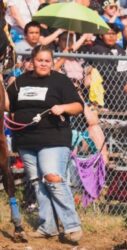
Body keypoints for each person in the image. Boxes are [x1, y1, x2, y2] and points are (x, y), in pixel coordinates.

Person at [6, 45, 84, 242]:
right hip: (26, 140)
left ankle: (72, 225)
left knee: (52, 177)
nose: (43, 63)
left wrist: (63, 107)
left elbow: (78, 107)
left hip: (54, 138)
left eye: (47, 60)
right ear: (32, 61)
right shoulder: (20, 82)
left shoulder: (60, 81)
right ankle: (47, 226)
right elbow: (8, 105)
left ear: (52, 62)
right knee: (36, 182)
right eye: (39, 60)